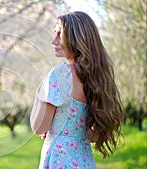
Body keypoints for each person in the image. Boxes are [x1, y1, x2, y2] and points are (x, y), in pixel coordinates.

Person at [30, 11, 124, 169]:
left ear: (76, 37)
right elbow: (93, 136)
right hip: (83, 159)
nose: (54, 41)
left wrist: (41, 91)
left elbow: (39, 127)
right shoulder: (96, 78)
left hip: (58, 160)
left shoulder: (60, 75)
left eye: (60, 34)